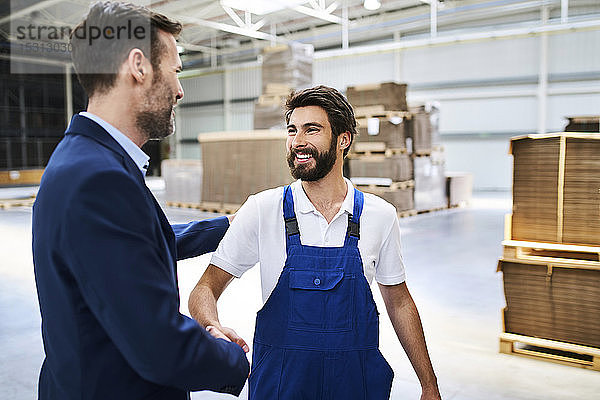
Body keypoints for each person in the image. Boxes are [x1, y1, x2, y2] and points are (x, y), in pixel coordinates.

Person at [32, 2, 249, 399]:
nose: (180, 91)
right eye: (176, 71)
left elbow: (135, 244)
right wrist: (236, 359)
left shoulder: (83, 160)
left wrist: (228, 226)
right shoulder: (98, 179)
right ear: (139, 66)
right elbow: (160, 348)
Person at [188, 85, 441, 399]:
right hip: (281, 387)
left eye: (312, 130)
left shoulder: (380, 216)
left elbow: (399, 301)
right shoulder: (263, 209)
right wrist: (212, 326)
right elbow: (205, 287)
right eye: (292, 130)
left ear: (343, 139)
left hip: (354, 386)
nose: (298, 142)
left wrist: (428, 384)